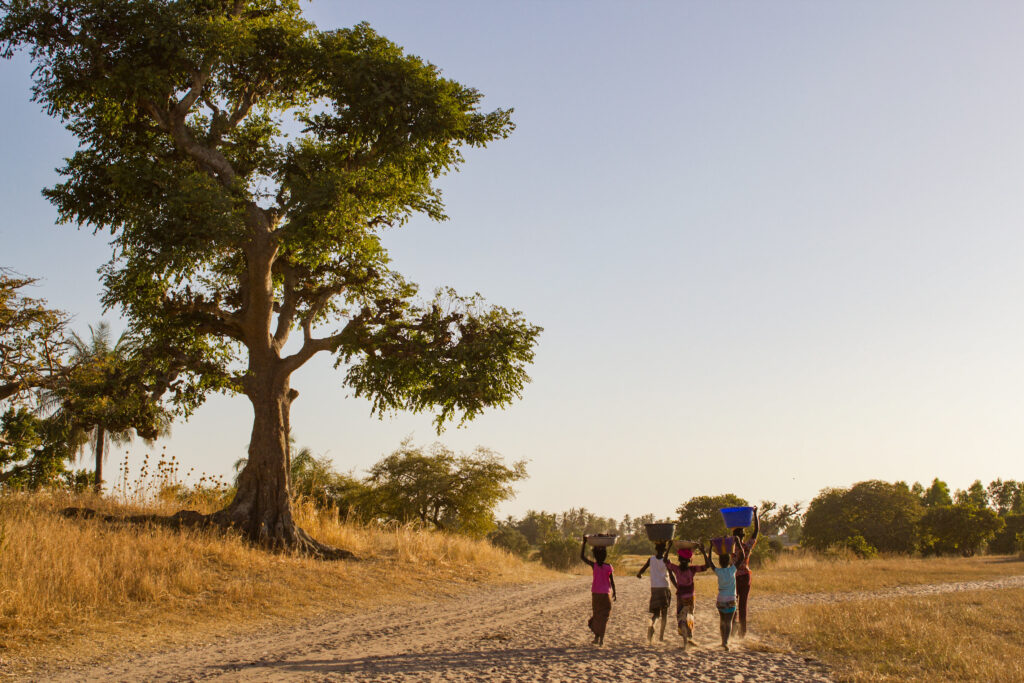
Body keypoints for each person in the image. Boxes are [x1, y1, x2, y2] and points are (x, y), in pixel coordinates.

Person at [664, 543, 710, 649]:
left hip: (680, 596)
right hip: (690, 597)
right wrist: (703, 551)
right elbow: (707, 566)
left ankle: (685, 640)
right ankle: (689, 638)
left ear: (679, 559)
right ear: (690, 560)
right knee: (690, 616)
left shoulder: (676, 569)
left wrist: (669, 547)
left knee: (681, 617)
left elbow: (665, 561)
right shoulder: (692, 570)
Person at [708, 537, 747, 650]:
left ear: (719, 562)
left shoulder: (718, 571)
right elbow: (742, 557)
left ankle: (722, 641)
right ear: (729, 561)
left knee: (722, 621)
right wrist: (738, 542)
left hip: (720, 600)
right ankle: (726, 641)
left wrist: (710, 547)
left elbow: (710, 561)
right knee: (729, 621)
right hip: (731, 600)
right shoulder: (732, 569)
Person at [580, 536, 616, 645]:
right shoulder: (608, 567)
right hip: (606, 594)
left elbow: (582, 557)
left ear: (595, 556)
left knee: (597, 615)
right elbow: (612, 581)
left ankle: (596, 638)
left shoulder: (594, 565)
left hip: (596, 594)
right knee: (604, 616)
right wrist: (615, 592)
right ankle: (601, 639)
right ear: (605, 556)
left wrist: (584, 543)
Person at [636, 540, 672, 644]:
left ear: (656, 550)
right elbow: (671, 572)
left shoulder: (651, 559)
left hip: (654, 588)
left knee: (656, 614)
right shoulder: (667, 560)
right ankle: (661, 636)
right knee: (664, 613)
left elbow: (641, 571)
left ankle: (652, 624)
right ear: (664, 550)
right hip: (665, 587)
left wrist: (639, 574)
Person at [731, 506, 759, 638]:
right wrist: (755, 514)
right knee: (742, 605)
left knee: (733, 604)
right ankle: (742, 632)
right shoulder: (746, 547)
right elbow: (756, 532)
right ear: (743, 536)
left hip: (735, 578)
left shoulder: (731, 549)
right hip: (745, 577)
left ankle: (734, 629)